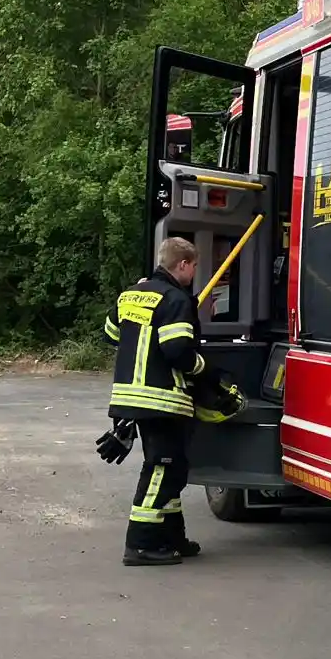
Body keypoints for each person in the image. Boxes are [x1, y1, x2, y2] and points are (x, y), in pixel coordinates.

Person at [102, 236, 206, 566]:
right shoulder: (175, 299)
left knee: (171, 469)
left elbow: (111, 335)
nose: (194, 273)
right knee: (163, 468)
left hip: (130, 396)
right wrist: (204, 369)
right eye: (194, 266)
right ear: (183, 264)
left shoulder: (131, 294)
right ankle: (141, 544)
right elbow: (177, 350)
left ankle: (172, 537)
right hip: (162, 399)